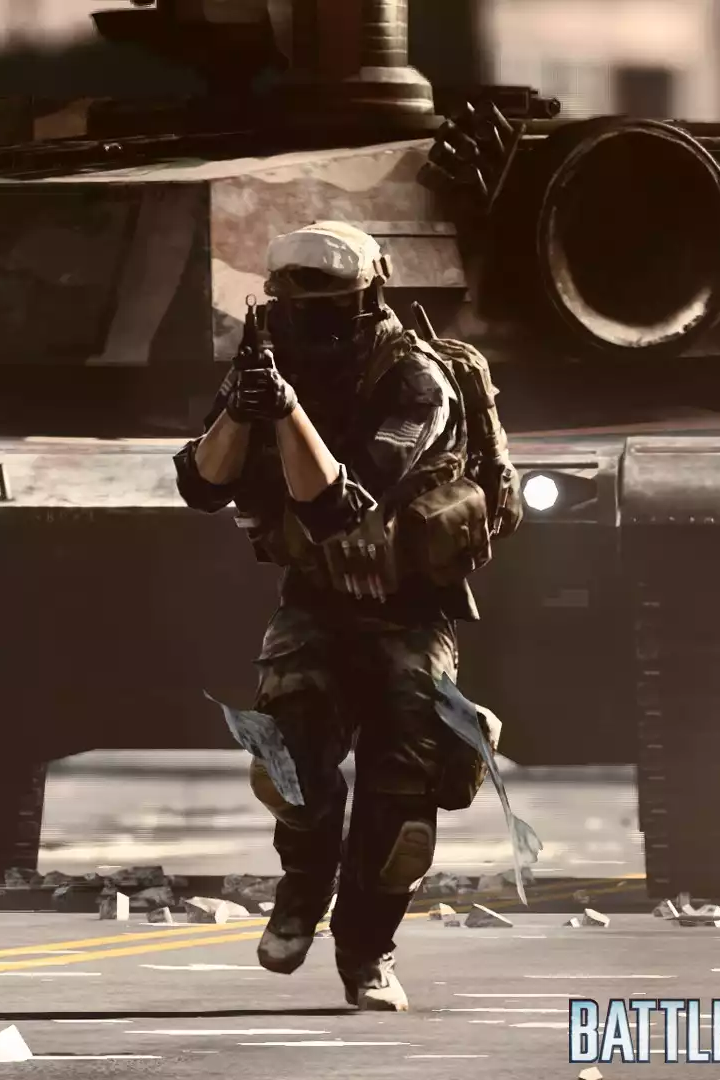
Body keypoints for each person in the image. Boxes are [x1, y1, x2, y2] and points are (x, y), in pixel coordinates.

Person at [174, 221, 514, 1011]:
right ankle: (302, 891)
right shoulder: (267, 363)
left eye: (331, 298)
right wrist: (243, 408)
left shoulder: (417, 380)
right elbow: (200, 484)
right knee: (287, 762)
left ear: (370, 294)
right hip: (316, 601)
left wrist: (287, 411)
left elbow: (342, 503)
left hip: (410, 613)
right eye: (298, 299)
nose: (314, 316)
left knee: (403, 803)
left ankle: (367, 953)